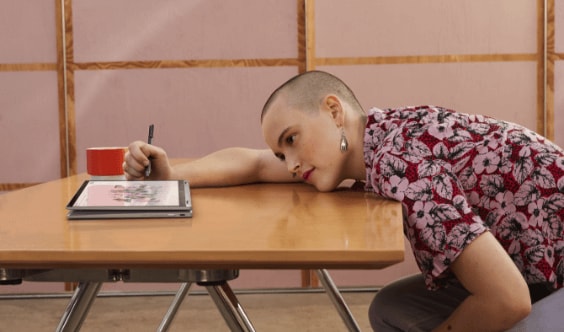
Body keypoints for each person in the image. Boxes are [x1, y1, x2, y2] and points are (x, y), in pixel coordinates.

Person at [124, 70, 564, 331]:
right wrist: (172, 174)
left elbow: (508, 300)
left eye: (292, 140)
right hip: (537, 271)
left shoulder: (399, 163)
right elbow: (255, 164)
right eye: (284, 152)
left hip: (543, 284)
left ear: (334, 112)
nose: (291, 163)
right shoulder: (374, 137)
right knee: (393, 311)